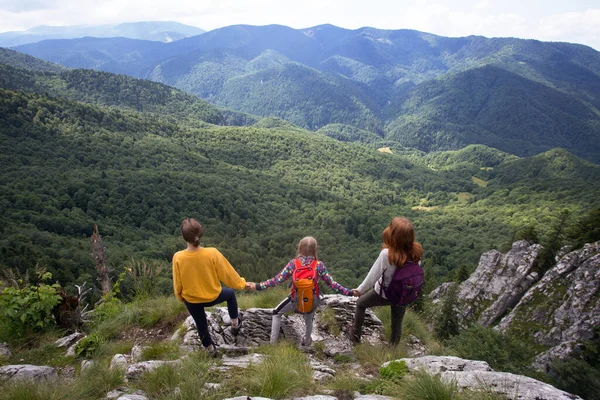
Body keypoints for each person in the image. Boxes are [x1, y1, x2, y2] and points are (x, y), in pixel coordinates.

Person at [247, 236, 356, 346]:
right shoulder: (319, 265)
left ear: (299, 248)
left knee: (276, 312)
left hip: (295, 298)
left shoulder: (293, 264)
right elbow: (333, 285)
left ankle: (273, 343)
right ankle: (307, 342)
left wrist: (257, 286)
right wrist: (350, 293)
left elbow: (276, 280)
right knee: (309, 316)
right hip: (311, 299)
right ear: (315, 249)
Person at [172, 218, 250, 355]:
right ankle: (235, 324)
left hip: (191, 300)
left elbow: (178, 282)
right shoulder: (212, 253)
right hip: (213, 295)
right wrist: (242, 284)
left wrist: (180, 297)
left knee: (201, 325)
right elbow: (228, 274)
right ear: (201, 234)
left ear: (184, 237)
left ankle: (210, 350)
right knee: (230, 294)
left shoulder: (178, 257)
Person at [350, 217, 423, 345]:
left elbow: (373, 276)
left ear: (393, 235)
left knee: (361, 304)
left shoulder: (387, 254)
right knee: (397, 322)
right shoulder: (416, 254)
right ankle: (393, 350)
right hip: (403, 295)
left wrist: (360, 290)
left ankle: (355, 338)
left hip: (384, 294)